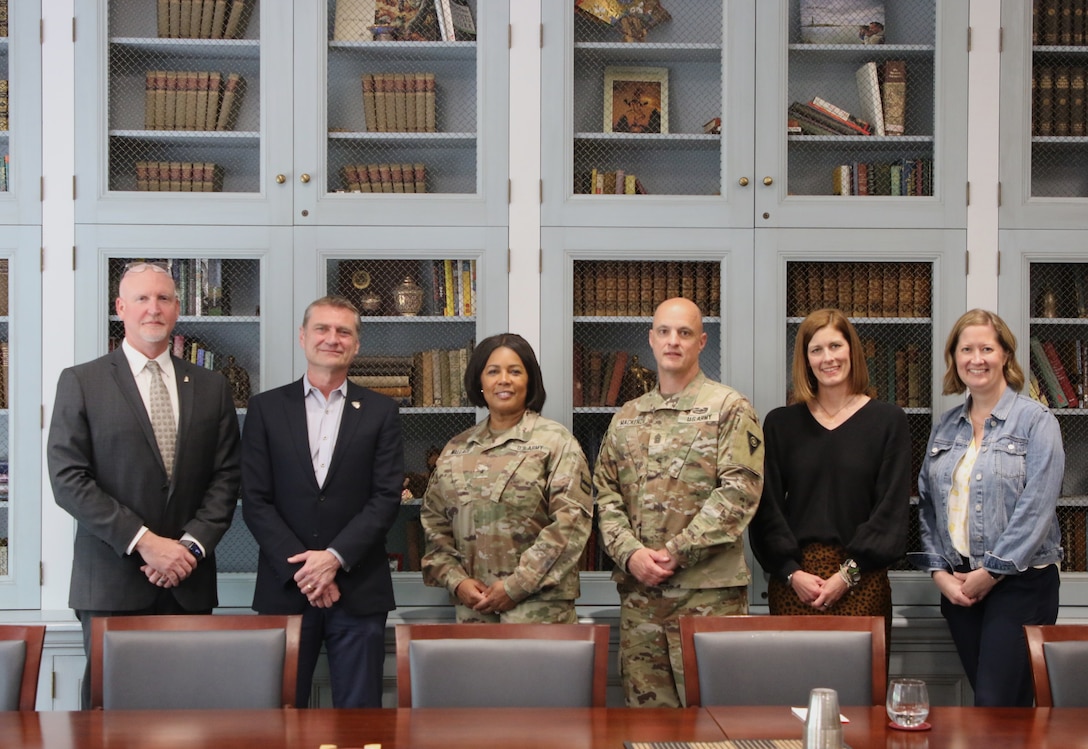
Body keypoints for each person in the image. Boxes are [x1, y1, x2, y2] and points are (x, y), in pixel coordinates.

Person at [47, 261, 241, 709]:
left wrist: (188, 549)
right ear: (121, 308)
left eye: (164, 299)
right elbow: (68, 480)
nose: (153, 308)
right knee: (109, 719)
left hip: (188, 584)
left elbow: (226, 477)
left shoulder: (211, 387)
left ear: (176, 310)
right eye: (142, 298)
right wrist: (145, 543)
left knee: (190, 715)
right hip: (112, 584)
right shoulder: (82, 382)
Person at [594, 297, 765, 707]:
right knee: (647, 725)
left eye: (684, 333)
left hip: (708, 599)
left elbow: (739, 492)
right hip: (641, 604)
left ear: (702, 341)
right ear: (651, 340)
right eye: (665, 332)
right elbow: (604, 496)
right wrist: (630, 554)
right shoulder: (627, 417)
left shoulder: (730, 408)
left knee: (715, 724)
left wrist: (676, 551)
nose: (674, 341)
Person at [241, 296, 404, 708]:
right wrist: (307, 569)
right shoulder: (265, 409)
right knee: (279, 715)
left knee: (359, 717)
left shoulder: (382, 411)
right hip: (286, 586)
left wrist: (333, 558)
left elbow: (385, 498)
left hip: (358, 588)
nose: (332, 339)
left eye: (343, 331)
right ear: (303, 337)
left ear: (356, 345)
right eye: (322, 329)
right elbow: (255, 499)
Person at [909, 309, 1064, 707]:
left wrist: (992, 572)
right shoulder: (945, 426)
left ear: (1006, 356)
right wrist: (939, 573)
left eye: (986, 348)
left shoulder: (1037, 421)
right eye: (966, 349)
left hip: (1021, 585)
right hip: (960, 589)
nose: (976, 358)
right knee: (995, 712)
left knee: (997, 706)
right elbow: (928, 504)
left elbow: (1037, 507)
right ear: (954, 358)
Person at [748, 308, 910, 644]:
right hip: (796, 582)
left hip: (862, 578)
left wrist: (845, 576)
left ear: (852, 350)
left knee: (863, 694)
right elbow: (767, 510)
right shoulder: (781, 424)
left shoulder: (888, 421)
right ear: (805, 360)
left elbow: (891, 511)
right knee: (795, 691)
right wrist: (792, 574)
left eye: (836, 346)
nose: (828, 358)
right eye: (816, 350)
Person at [421, 333, 593, 623]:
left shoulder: (556, 442)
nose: (504, 380)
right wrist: (457, 582)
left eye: (515, 371)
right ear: (479, 381)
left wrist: (517, 585)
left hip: (539, 613)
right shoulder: (456, 449)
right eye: (493, 371)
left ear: (530, 381)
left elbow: (571, 524)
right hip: (473, 612)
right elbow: (433, 525)